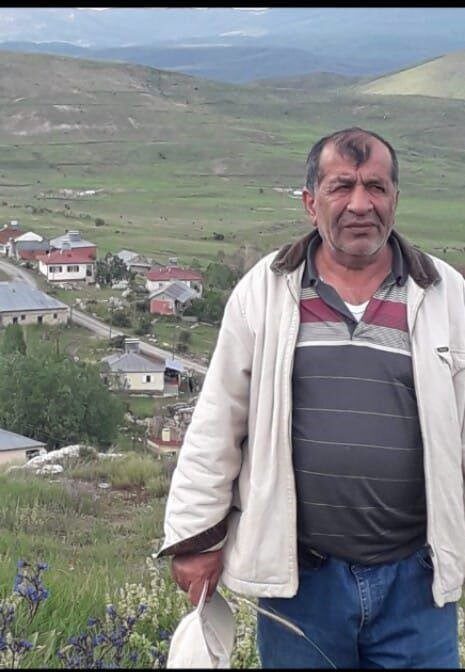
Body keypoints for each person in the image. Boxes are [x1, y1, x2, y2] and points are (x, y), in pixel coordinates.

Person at [157, 127, 465, 668]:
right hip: (303, 585)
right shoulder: (266, 291)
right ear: (310, 202)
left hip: (417, 584)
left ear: (395, 199)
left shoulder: (446, 295)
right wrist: (193, 539)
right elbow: (218, 422)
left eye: (376, 187)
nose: (360, 204)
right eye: (342, 186)